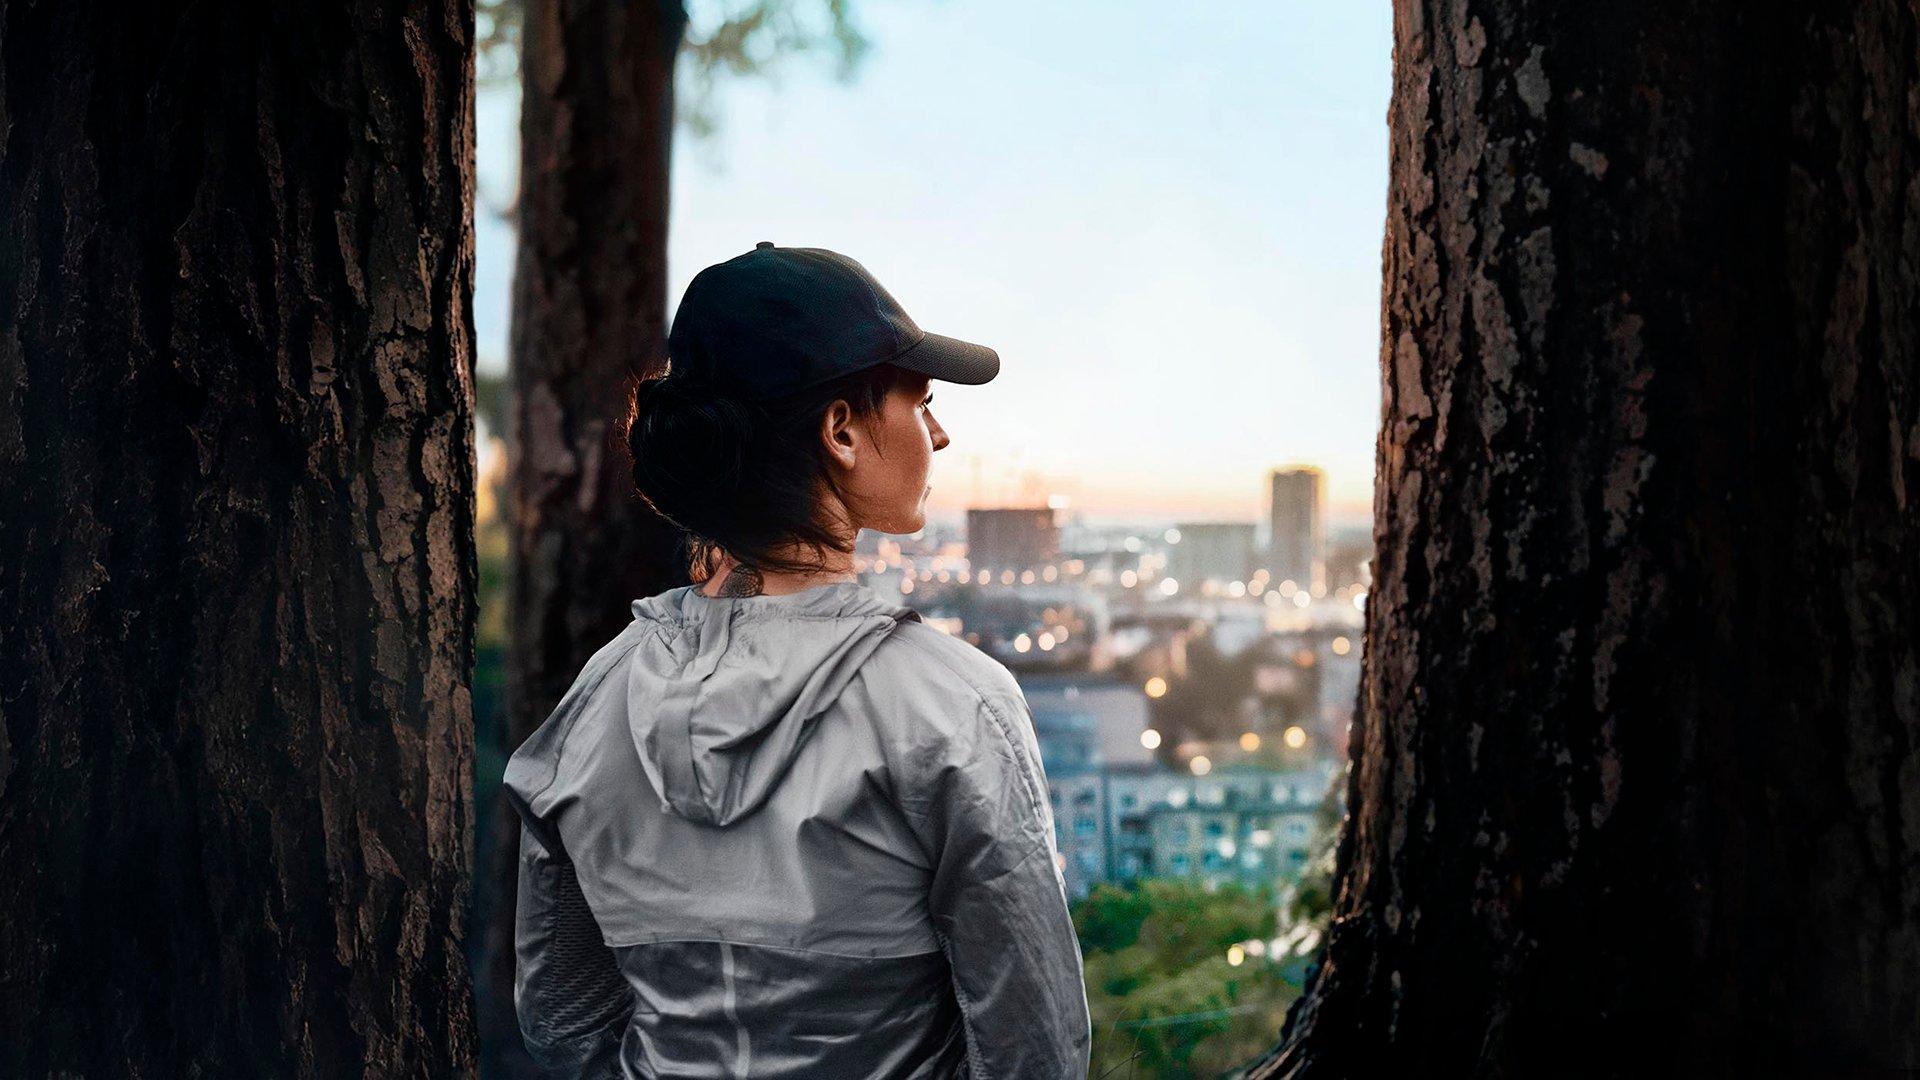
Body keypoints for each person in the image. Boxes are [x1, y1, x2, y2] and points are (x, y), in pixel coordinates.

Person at [503, 243, 1092, 1079]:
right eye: (920, 400)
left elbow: (561, 1021)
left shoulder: (592, 705)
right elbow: (1035, 1049)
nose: (940, 431)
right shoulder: (951, 707)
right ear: (842, 432)